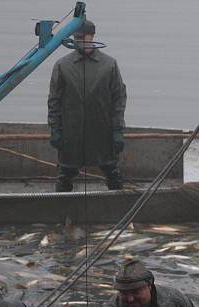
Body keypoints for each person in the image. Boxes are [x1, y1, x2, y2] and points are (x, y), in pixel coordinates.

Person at [48, 19, 127, 192]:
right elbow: (54, 100)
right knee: (65, 173)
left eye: (83, 37)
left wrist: (117, 130)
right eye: (76, 37)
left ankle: (120, 207)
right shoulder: (62, 65)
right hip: (72, 132)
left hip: (102, 130)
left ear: (92, 36)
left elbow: (119, 99)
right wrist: (55, 129)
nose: (79, 41)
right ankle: (62, 208)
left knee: (112, 172)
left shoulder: (109, 65)